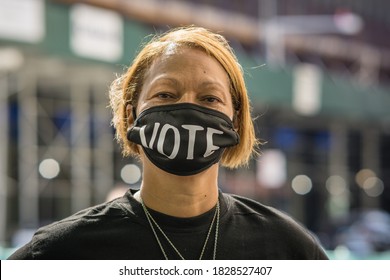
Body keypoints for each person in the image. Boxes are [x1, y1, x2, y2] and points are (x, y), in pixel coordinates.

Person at [9, 26, 328, 260]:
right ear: (131, 114)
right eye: (166, 94)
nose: (189, 108)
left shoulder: (290, 249)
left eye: (209, 98)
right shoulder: (60, 253)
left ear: (235, 119)